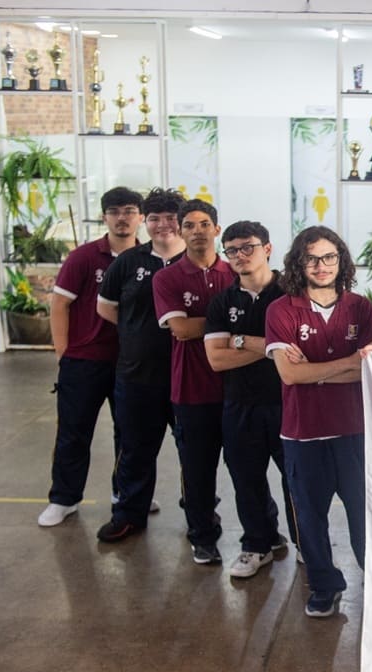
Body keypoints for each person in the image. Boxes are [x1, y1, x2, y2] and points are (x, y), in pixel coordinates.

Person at [265, 226, 372, 618]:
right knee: (310, 519)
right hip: (304, 432)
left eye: (329, 257)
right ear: (299, 264)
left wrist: (314, 370)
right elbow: (290, 375)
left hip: (354, 430)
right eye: (311, 258)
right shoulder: (281, 310)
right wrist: (347, 362)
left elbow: (369, 371)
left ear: (341, 260)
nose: (321, 265)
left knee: (364, 513)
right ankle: (324, 586)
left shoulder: (360, 308)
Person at [38, 187, 142, 528]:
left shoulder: (147, 259)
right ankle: (64, 498)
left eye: (129, 211)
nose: (122, 218)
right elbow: (60, 305)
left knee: (130, 434)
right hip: (84, 362)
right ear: (104, 217)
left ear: (140, 217)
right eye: (115, 211)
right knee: (74, 432)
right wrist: (64, 353)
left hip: (130, 364)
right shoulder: (83, 257)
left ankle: (125, 494)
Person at [204, 221, 295, 578]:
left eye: (248, 247)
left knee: (296, 478)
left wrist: (240, 340)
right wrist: (272, 347)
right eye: (232, 250)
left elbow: (297, 350)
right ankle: (258, 544)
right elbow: (217, 359)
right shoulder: (222, 302)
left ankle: (306, 542)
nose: (240, 255)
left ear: (267, 249)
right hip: (240, 404)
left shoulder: (292, 294)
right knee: (246, 478)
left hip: (287, 402)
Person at [94, 187, 185, 541]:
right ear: (145, 222)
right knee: (134, 449)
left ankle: (200, 516)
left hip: (188, 378)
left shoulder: (196, 262)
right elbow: (106, 307)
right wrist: (137, 331)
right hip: (137, 376)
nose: (163, 225)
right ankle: (129, 514)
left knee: (194, 453)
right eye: (155, 218)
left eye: (170, 218)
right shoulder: (128, 262)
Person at [152, 199, 236, 565]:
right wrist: (231, 321)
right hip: (191, 391)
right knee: (198, 471)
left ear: (217, 229)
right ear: (180, 231)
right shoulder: (167, 278)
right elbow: (182, 329)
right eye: (189, 225)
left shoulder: (235, 271)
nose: (197, 231)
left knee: (247, 469)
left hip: (237, 390)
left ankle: (262, 532)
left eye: (204, 224)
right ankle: (202, 536)